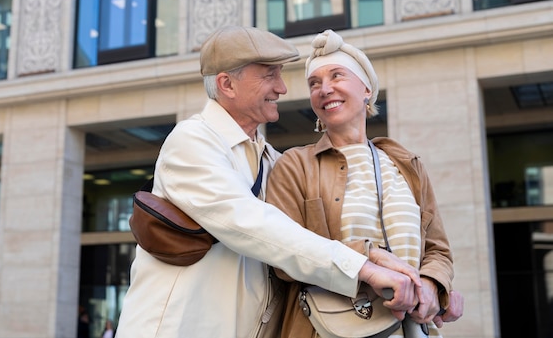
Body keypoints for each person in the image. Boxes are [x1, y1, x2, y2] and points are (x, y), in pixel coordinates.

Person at [115, 25, 423, 338]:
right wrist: (362, 268)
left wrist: (389, 263)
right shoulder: (192, 141)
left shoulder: (273, 160)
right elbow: (250, 224)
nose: (282, 88)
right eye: (269, 75)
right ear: (227, 84)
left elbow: (306, 239)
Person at [265, 29, 464, 338]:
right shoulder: (295, 165)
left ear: (367, 89)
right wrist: (370, 258)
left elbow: (438, 250)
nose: (324, 89)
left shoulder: (406, 164)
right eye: (314, 83)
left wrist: (433, 284)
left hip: (412, 330)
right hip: (327, 329)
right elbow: (283, 255)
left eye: (337, 76)